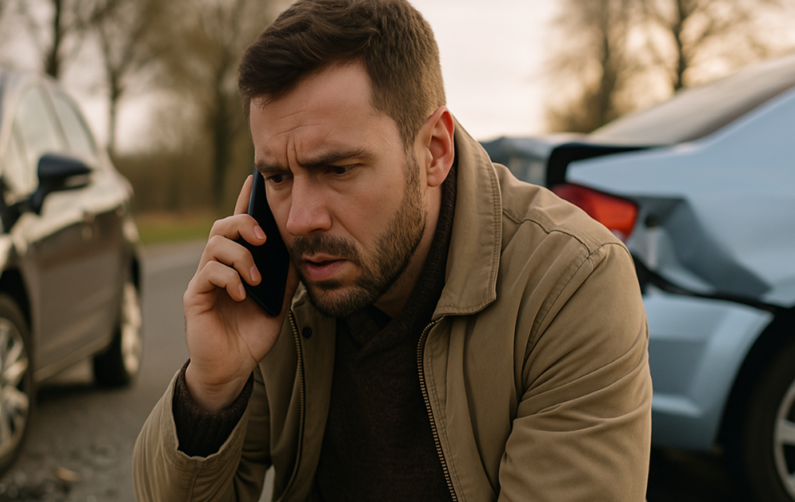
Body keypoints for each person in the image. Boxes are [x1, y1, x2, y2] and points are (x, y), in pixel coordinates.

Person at [133, 0, 652, 500]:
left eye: (337, 169)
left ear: (434, 152)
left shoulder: (571, 282)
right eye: (277, 176)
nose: (299, 220)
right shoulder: (277, 290)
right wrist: (212, 388)